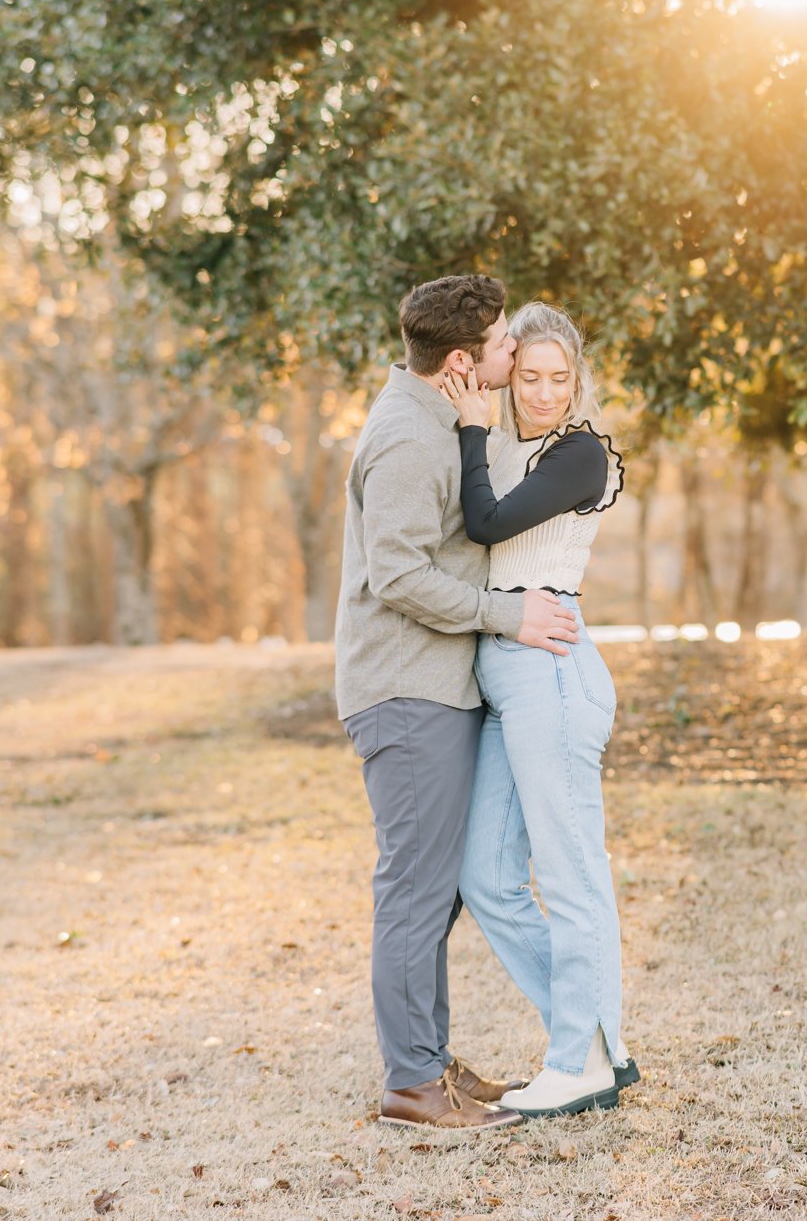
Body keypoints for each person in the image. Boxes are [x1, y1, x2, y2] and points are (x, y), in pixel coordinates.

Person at [333, 274, 579, 1134]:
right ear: (464, 362)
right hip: (406, 690)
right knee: (415, 888)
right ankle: (410, 1082)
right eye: (508, 342)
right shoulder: (407, 437)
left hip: (437, 685)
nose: (518, 354)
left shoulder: (442, 420)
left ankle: (429, 1061)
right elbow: (397, 574)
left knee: (438, 890)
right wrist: (507, 612)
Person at [434, 301, 637, 1118]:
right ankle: (592, 1041)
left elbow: (486, 519)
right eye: (530, 376)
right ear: (507, 371)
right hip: (500, 671)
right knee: (485, 874)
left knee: (570, 870)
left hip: (550, 663)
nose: (546, 392)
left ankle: (579, 1056)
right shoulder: (505, 440)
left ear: (576, 378)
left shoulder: (581, 453)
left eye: (560, 377)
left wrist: (474, 425)